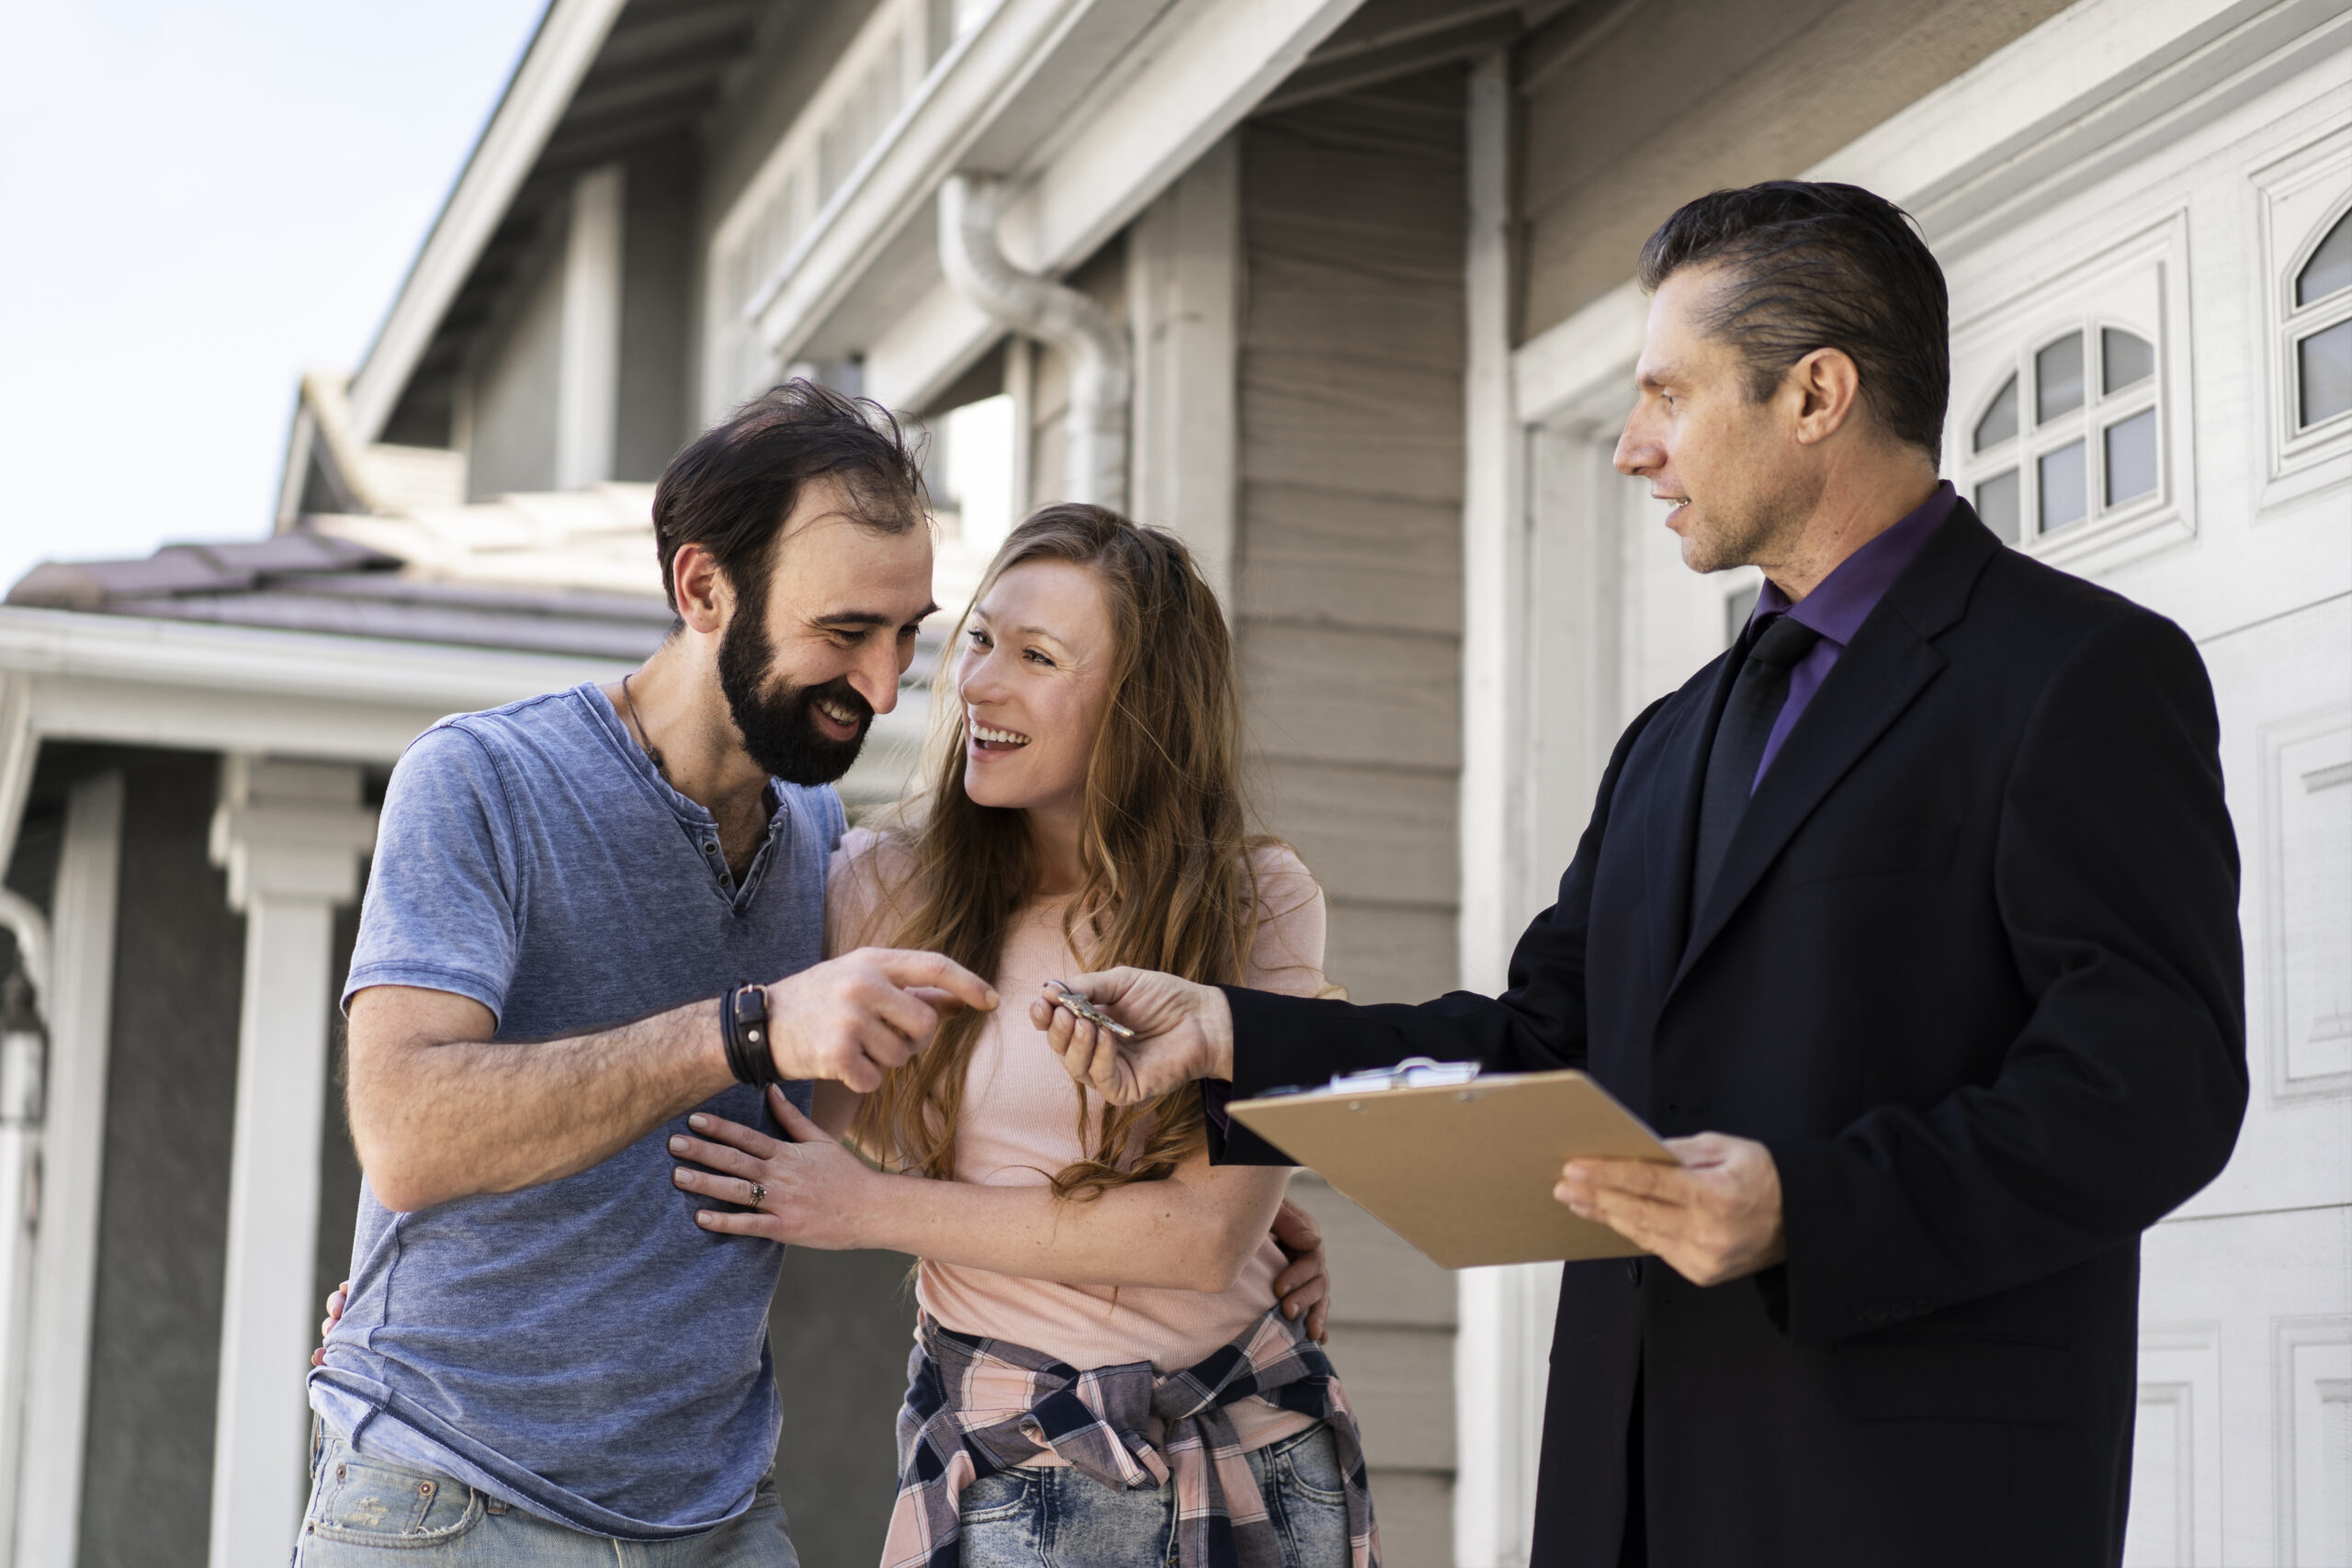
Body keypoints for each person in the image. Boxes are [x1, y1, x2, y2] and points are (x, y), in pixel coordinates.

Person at [1031, 183, 2247, 1568]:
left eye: (1668, 393)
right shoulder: (1669, 738)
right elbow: (1549, 1042)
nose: (1632, 448)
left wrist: (1811, 1204)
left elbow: (2152, 1088)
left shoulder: (2081, 673)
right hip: (1624, 1482)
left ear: (1816, 393)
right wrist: (1234, 1032)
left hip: (1906, 1491)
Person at [305, 384, 1328, 1564]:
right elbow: (409, 1136)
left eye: (909, 634)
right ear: (702, 590)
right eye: (846, 634)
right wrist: (745, 1030)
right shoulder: (482, 780)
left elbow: (913, 1118)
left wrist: (1234, 1208)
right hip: (456, 1493)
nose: (893, 688)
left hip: (716, 1510)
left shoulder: (817, 841)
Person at [669, 506, 1377, 1568]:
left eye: (1037, 657)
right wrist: (438, 1277)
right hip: (1021, 1457)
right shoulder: (879, 886)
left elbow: (1199, 1242)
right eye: (984, 639)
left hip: (1256, 1447)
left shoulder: (1253, 899)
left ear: (1140, 707)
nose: (979, 684)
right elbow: (725, 1103)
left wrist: (872, 1212)